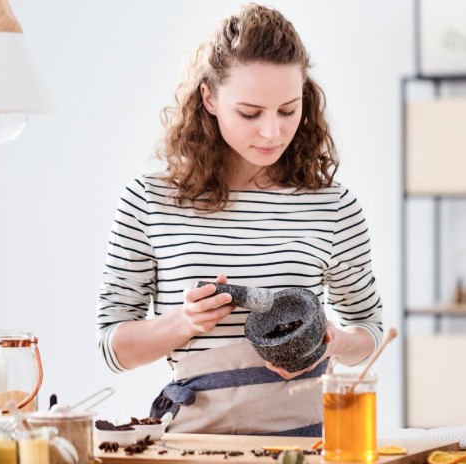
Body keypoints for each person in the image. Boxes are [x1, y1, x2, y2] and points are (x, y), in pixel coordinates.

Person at [96, 3, 383, 436]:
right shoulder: (149, 202)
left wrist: (338, 342)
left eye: (288, 110)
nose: (272, 132)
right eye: (250, 113)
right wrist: (185, 322)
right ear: (209, 98)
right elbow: (113, 349)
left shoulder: (334, 207)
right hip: (194, 450)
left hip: (307, 453)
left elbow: (371, 330)